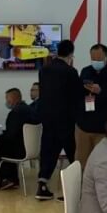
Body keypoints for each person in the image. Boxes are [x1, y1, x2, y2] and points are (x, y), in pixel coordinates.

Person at [35, 39, 80, 201]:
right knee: (74, 153)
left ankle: (42, 185)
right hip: (66, 119)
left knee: (48, 151)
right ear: (71, 54)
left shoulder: (44, 70)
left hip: (48, 117)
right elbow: (76, 96)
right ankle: (77, 189)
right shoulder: (70, 72)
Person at [76, 43, 107, 168]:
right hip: (84, 126)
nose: (96, 62)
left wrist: (101, 92)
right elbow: (78, 94)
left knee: (102, 164)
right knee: (81, 163)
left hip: (104, 128)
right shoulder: (86, 71)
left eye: (99, 59)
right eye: (93, 59)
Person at [0, 88, 35, 190]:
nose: (6, 101)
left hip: (19, 150)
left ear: (14, 98)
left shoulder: (15, 113)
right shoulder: (30, 109)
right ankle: (11, 179)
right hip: (32, 148)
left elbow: (11, 134)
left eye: (7, 98)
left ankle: (8, 178)